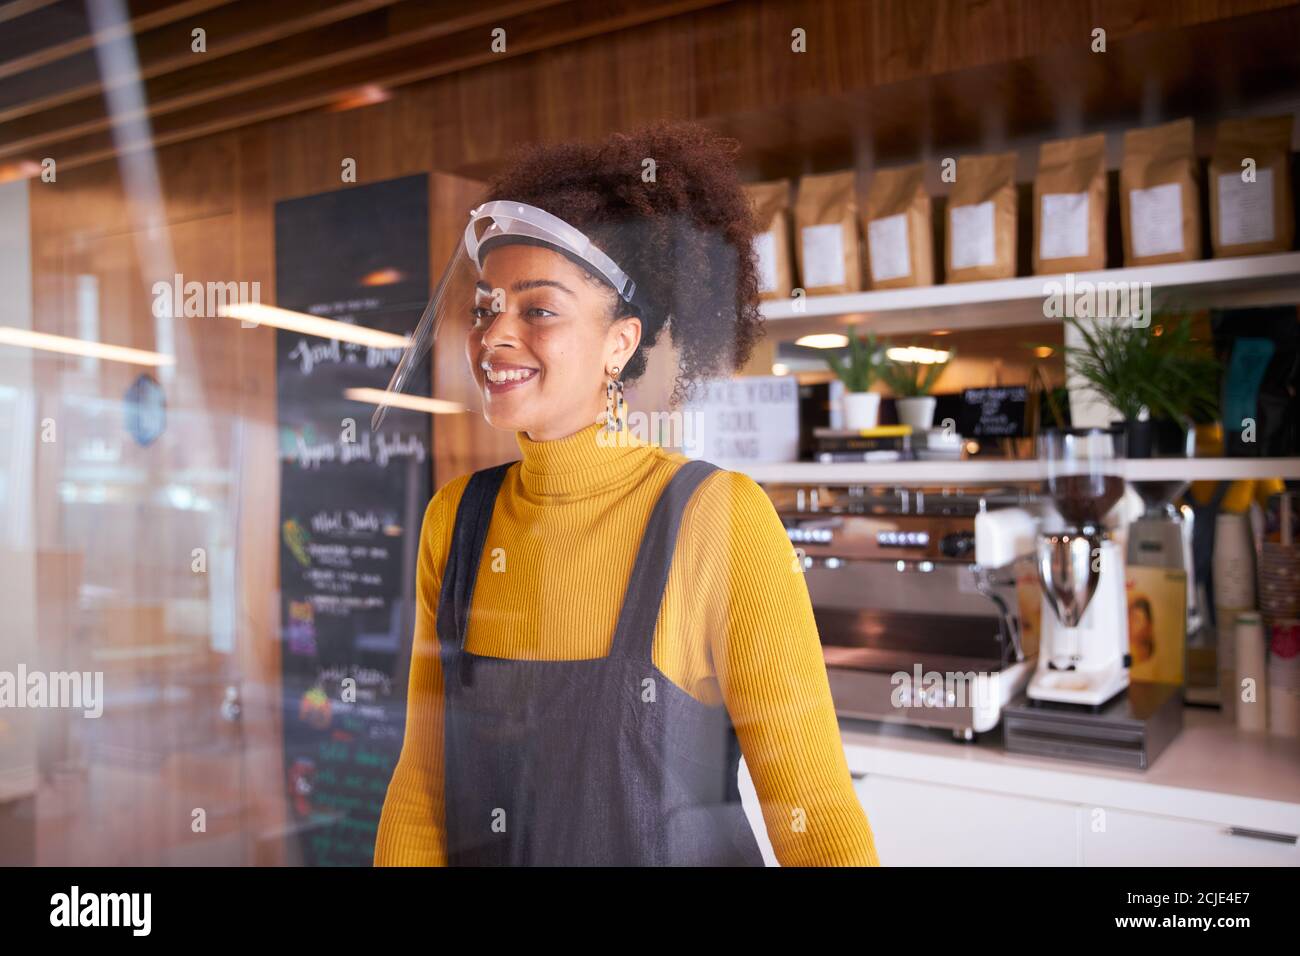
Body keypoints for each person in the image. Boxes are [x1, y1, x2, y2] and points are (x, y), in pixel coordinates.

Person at [373, 122, 879, 866]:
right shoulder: (456, 520)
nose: (493, 336)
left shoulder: (717, 519)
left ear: (620, 343)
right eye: (486, 307)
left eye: (538, 309)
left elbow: (813, 815)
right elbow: (421, 788)